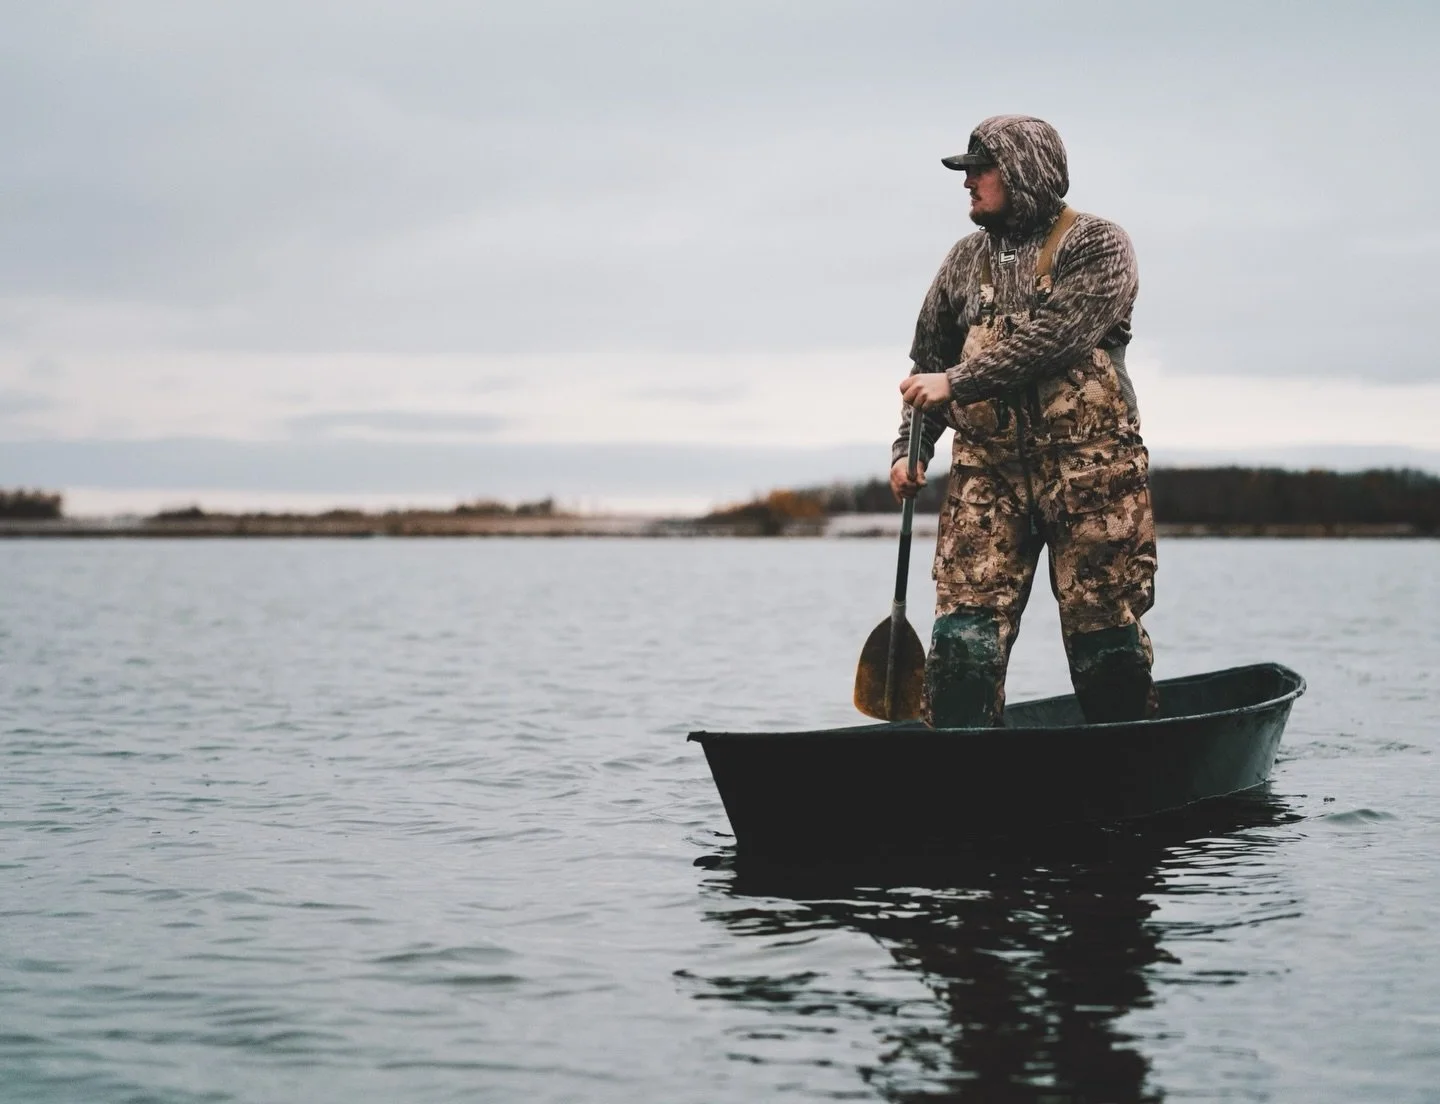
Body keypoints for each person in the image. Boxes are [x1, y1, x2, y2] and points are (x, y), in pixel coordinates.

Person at [890, 114, 1158, 728]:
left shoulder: (1098, 246)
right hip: (989, 476)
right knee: (962, 644)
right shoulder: (962, 262)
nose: (968, 184)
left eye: (980, 171)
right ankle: (962, 782)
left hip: (1092, 475)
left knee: (1104, 643)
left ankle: (1130, 768)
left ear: (1022, 173)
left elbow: (1055, 340)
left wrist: (957, 382)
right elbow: (926, 365)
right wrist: (911, 448)